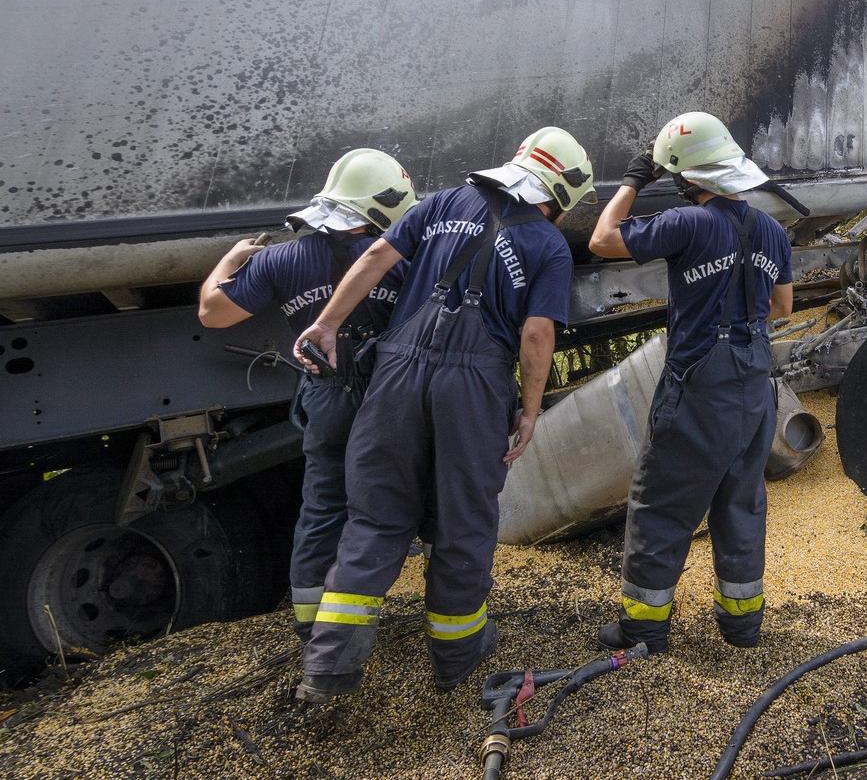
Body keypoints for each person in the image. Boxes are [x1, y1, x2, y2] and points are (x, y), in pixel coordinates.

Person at [291, 127, 591, 701]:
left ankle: (328, 668)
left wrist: (326, 324)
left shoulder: (442, 202)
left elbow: (378, 256)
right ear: (562, 193)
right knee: (462, 522)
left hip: (395, 378)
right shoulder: (548, 246)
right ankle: (457, 656)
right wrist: (529, 412)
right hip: (472, 389)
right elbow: (536, 333)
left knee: (374, 520)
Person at [587, 111, 795, 654]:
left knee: (661, 502)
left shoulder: (690, 223)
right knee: (741, 501)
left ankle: (644, 628)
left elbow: (603, 239)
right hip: (754, 380)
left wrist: (634, 179)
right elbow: (781, 305)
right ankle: (742, 624)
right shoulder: (772, 230)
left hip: (701, 382)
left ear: (684, 177)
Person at [196, 148, 416, 642]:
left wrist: (228, 262)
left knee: (323, 504)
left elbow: (213, 313)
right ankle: (371, 611)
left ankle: (313, 625)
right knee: (390, 500)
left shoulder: (281, 259)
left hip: (325, 396)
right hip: (388, 399)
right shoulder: (398, 259)